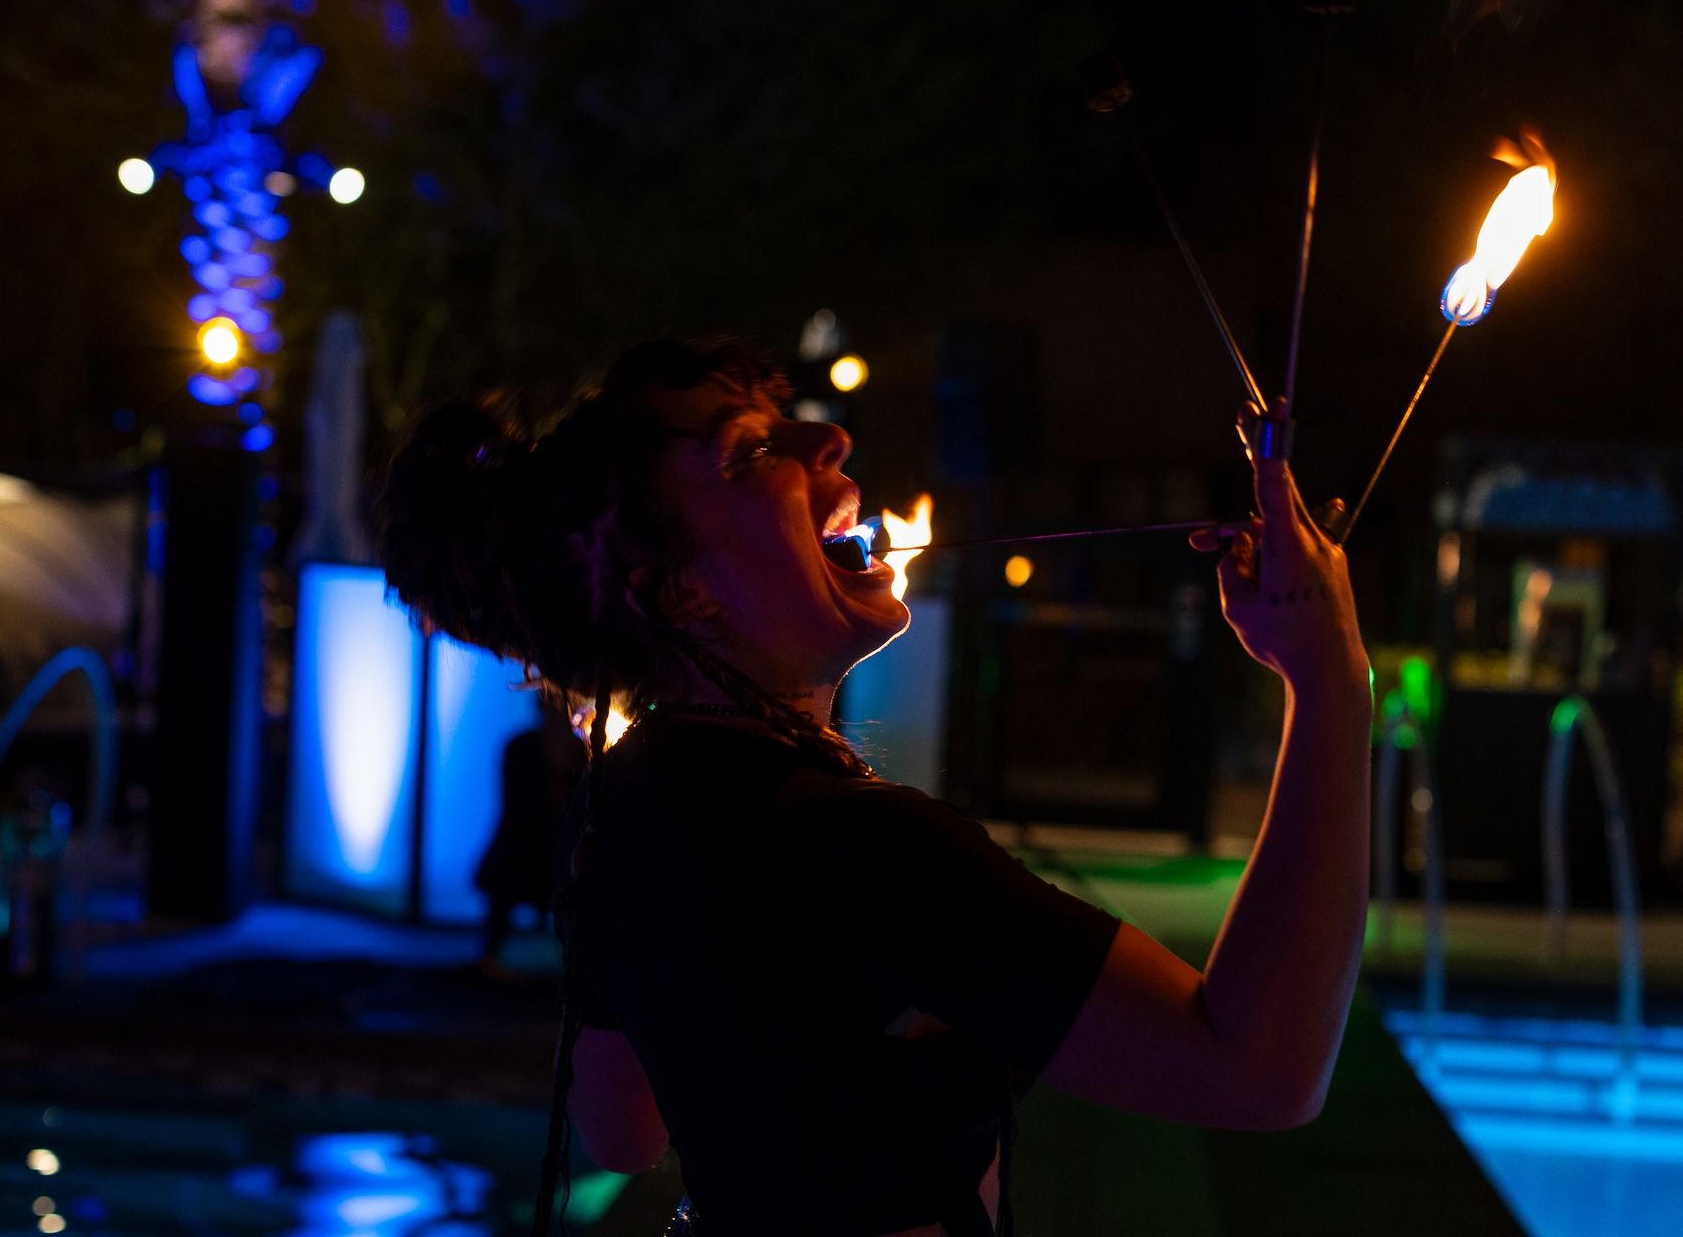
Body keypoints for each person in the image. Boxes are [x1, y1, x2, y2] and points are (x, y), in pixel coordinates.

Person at [379, 338, 1370, 1237]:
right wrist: (1329, 682)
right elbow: (1260, 1067)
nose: (829, 436)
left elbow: (622, 1127)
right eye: (746, 451)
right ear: (680, 589)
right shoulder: (859, 850)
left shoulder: (618, 807)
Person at [475, 718, 587, 975]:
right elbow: (515, 802)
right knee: (504, 894)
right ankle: (491, 957)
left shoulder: (577, 750)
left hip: (555, 847)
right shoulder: (521, 747)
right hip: (522, 846)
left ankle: (568, 966)